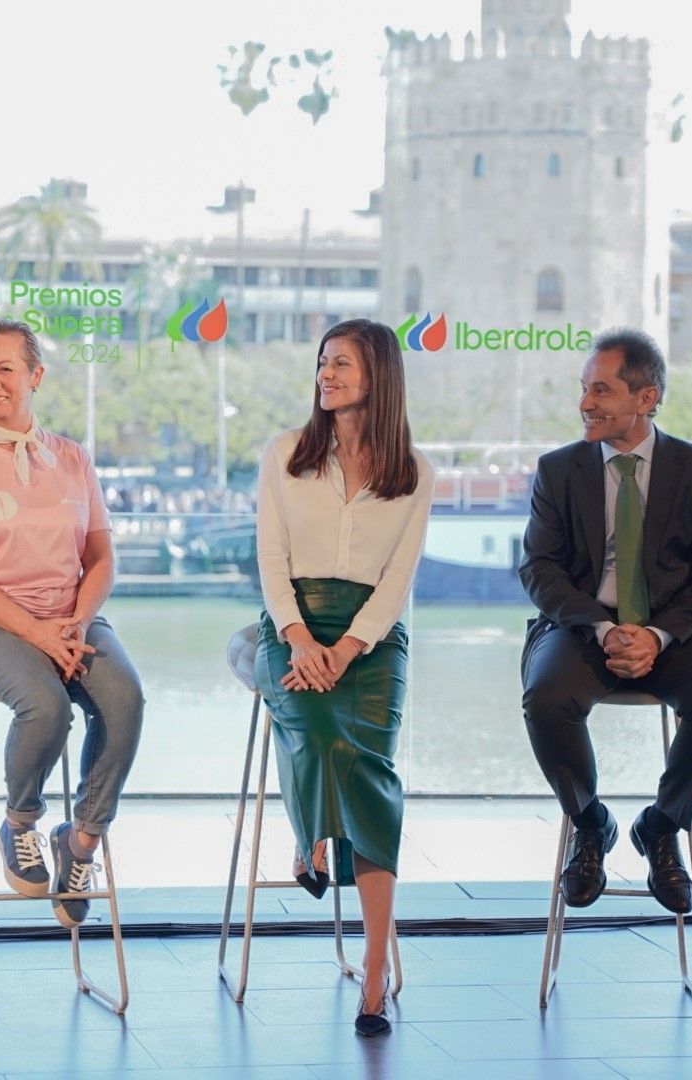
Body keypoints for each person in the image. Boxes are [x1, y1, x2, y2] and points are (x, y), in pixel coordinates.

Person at [0, 318, 144, 930]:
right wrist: (38, 632)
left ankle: (81, 841)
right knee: (47, 707)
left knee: (125, 699)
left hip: (69, 615)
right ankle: (19, 822)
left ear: (36, 377)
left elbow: (101, 559)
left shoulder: (73, 458)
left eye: (5, 369)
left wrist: (77, 620)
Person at [519, 327, 692, 915]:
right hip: (580, 627)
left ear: (647, 398)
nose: (585, 403)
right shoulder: (558, 469)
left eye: (601, 390)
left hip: (676, 631)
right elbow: (539, 569)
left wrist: (656, 635)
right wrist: (603, 628)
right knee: (546, 698)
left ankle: (662, 827)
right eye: (583, 389)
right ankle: (591, 824)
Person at [254, 318, 433, 1038]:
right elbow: (270, 559)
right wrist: (301, 641)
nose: (326, 375)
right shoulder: (285, 454)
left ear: (378, 377)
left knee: (365, 767)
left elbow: (398, 581)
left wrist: (350, 647)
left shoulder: (414, 472)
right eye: (324, 362)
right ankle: (310, 836)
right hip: (293, 625)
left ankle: (375, 968)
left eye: (343, 365)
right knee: (320, 726)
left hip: (373, 639)